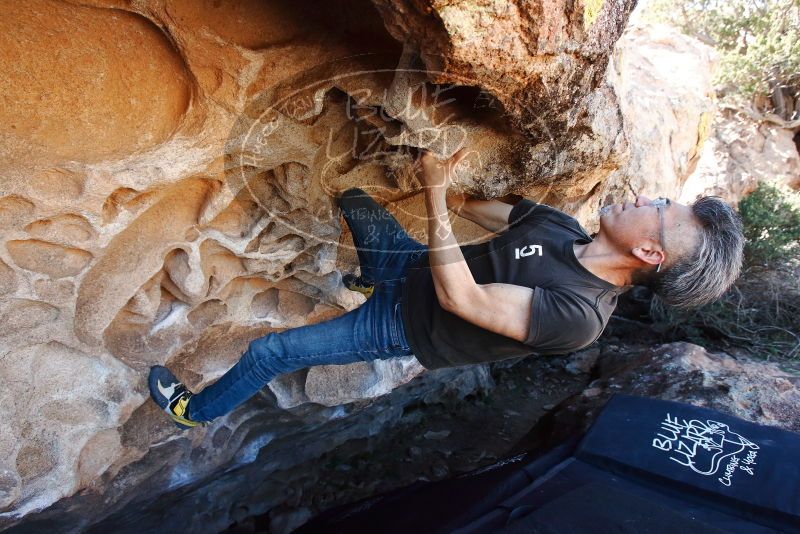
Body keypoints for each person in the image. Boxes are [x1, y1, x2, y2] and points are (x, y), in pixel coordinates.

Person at [148, 149, 744, 429]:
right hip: (408, 269)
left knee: (268, 353)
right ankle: (363, 275)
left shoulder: (579, 316)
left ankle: (195, 411)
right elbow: (481, 208)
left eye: (660, 208)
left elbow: (463, 298)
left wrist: (434, 194)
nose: (646, 197)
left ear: (649, 253)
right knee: (355, 201)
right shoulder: (561, 228)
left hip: (403, 325)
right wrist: (443, 169)